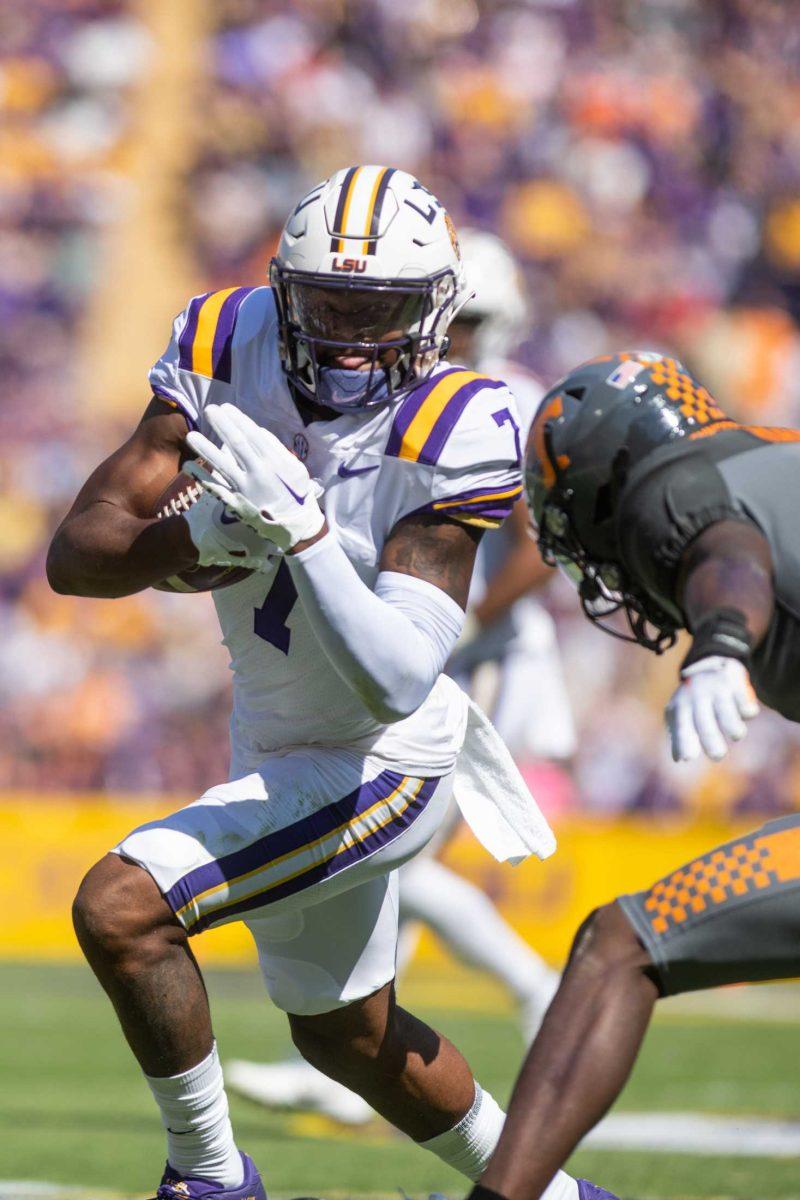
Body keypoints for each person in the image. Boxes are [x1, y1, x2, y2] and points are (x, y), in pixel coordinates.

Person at [47, 165, 588, 1200]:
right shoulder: (222, 341)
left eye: (373, 311)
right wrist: (191, 535)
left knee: (121, 909)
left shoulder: (458, 417)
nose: (346, 336)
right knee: (346, 1035)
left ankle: (208, 1179)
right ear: (280, 291)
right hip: (276, 732)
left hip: (384, 755)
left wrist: (300, 535)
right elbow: (78, 557)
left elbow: (393, 681)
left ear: (432, 311)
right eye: (326, 304)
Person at [226, 230, 569, 1126]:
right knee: (376, 868)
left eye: (476, 320)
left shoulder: (505, 402)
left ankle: (540, 993)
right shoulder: (365, 393)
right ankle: (359, 1067)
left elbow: (541, 554)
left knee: (383, 850)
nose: (457, 337)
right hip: (399, 659)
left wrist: (443, 630)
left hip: (474, 661)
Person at [466, 351, 800, 1200]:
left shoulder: (671, 489)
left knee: (621, 945)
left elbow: (730, 551)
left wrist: (722, 643)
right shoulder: (769, 449)